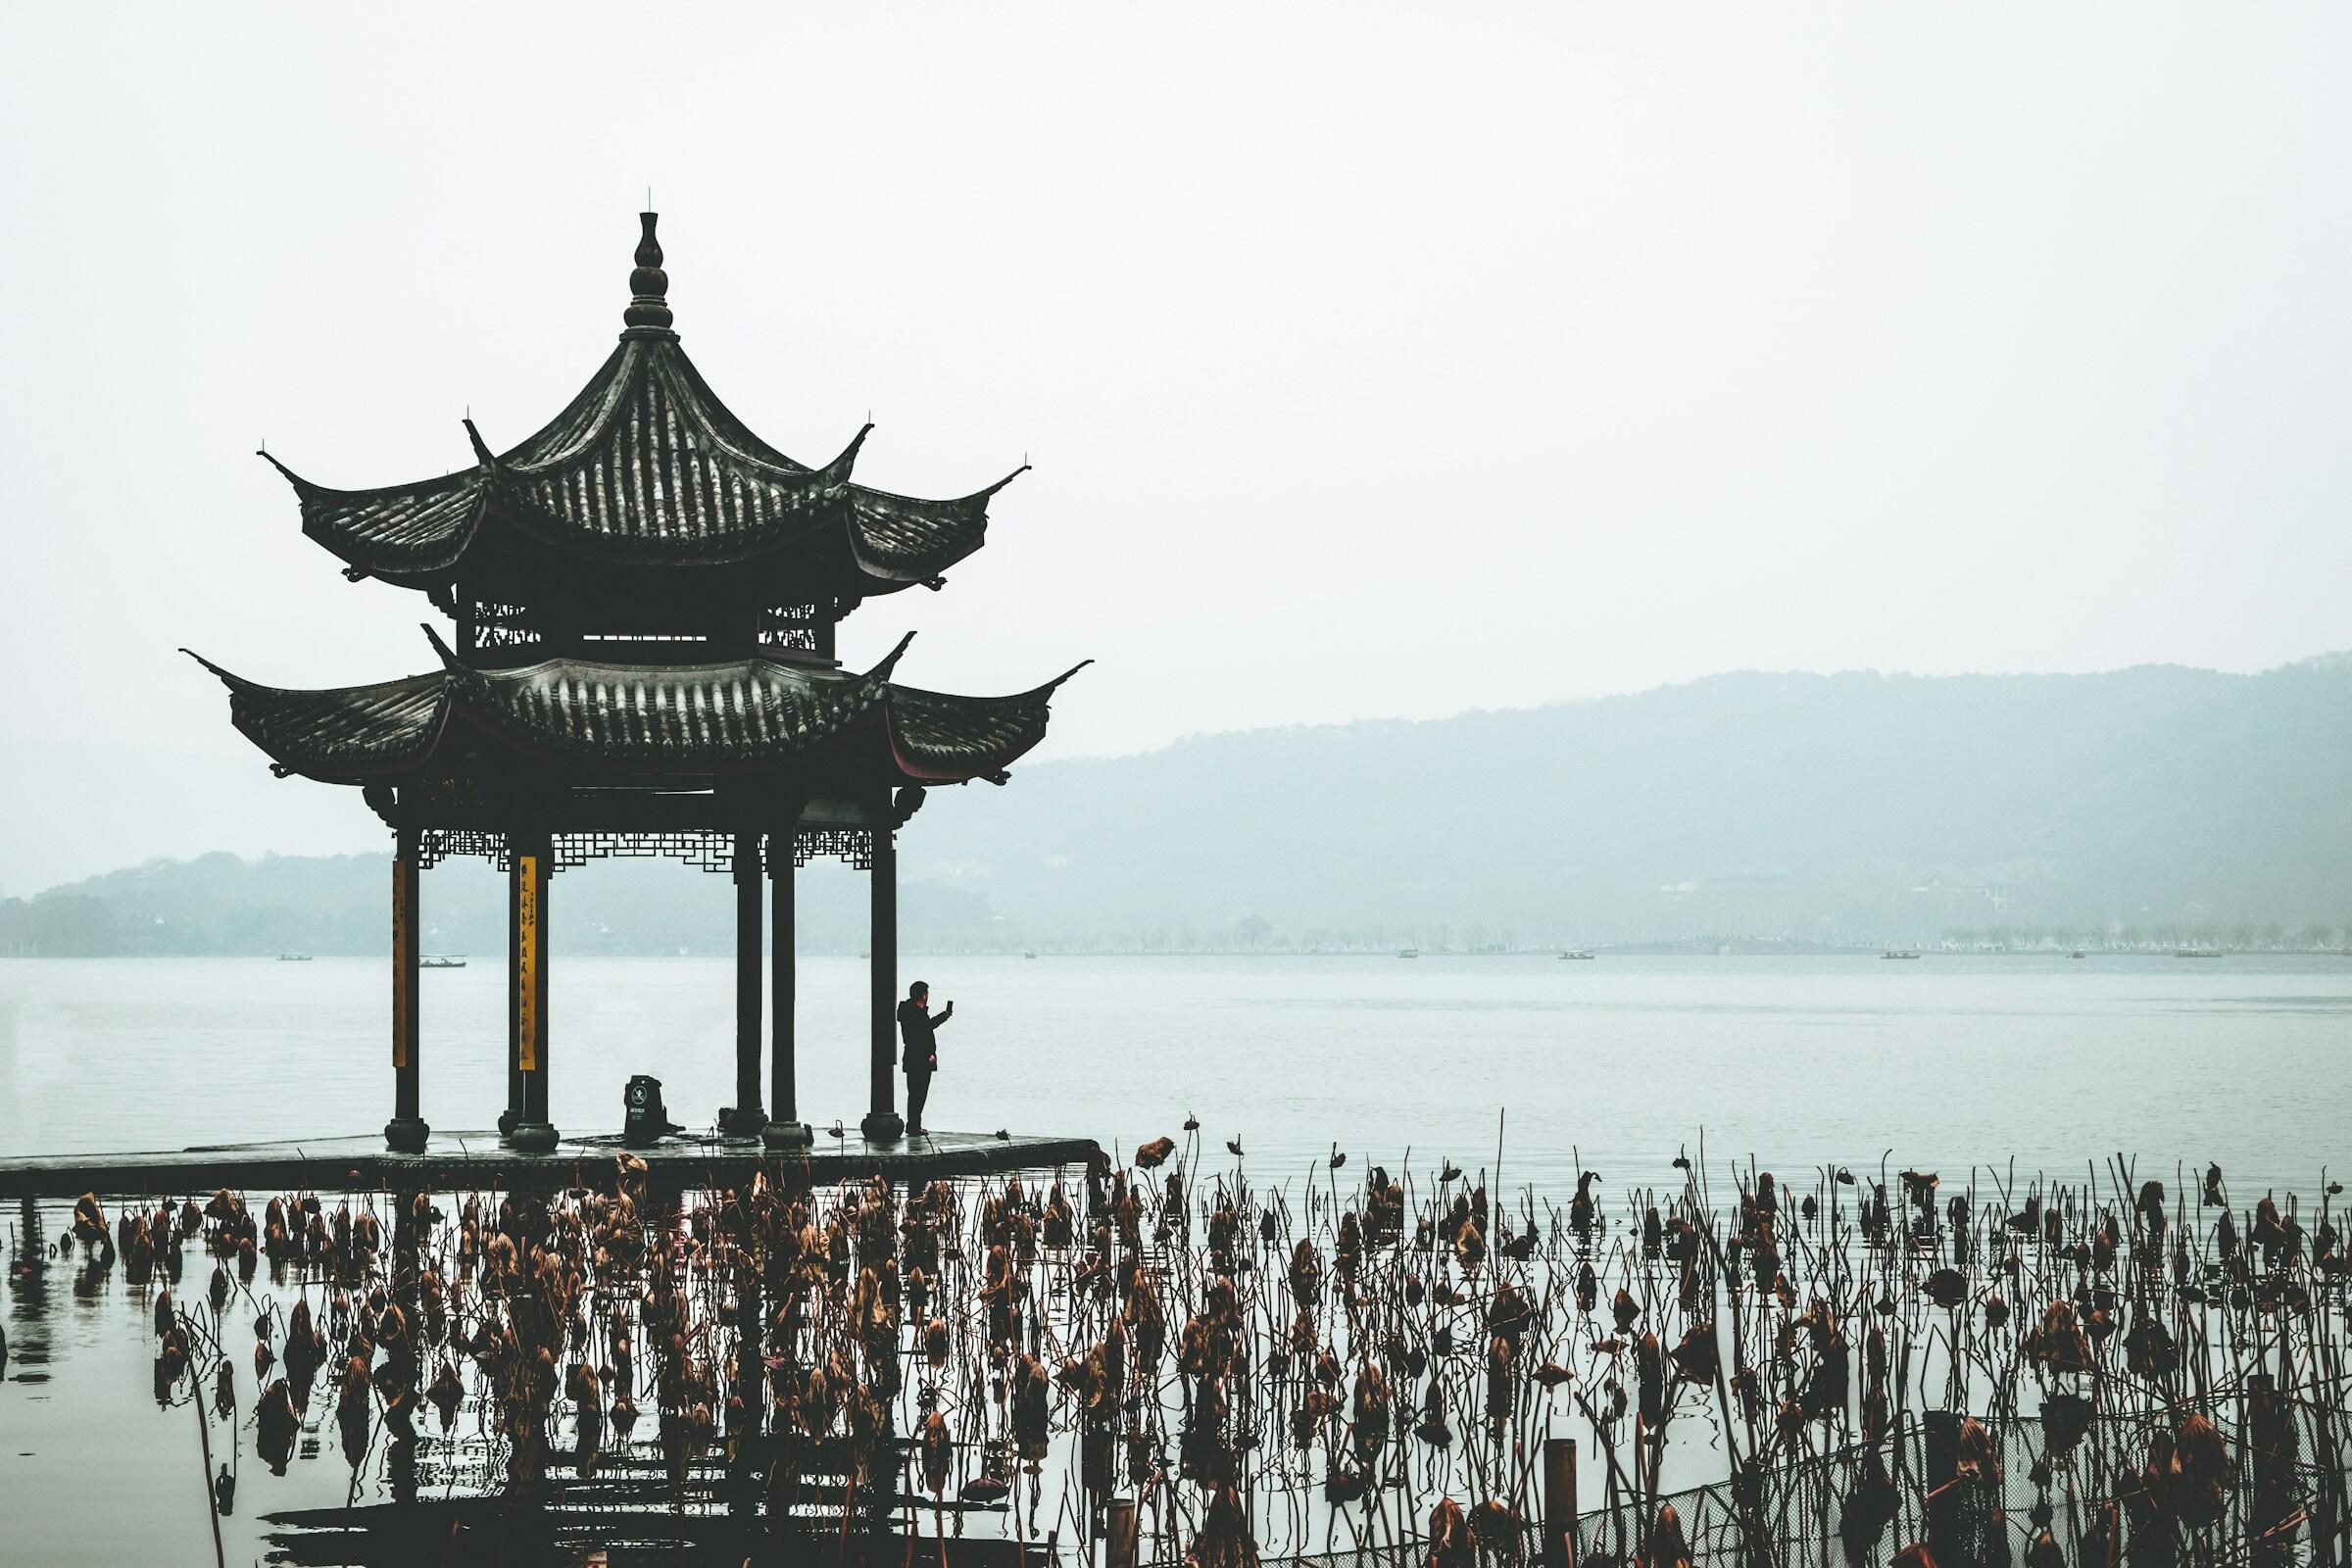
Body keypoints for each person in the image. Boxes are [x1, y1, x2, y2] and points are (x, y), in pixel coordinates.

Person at [897, 981, 953, 1137]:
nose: (928, 997)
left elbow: (926, 1027)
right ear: (922, 995)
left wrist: (943, 1017)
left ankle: (914, 1124)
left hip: (912, 1057)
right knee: (918, 1094)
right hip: (919, 1059)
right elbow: (921, 1034)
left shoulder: (911, 1012)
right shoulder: (915, 1013)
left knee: (915, 1093)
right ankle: (914, 1126)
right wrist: (929, 1054)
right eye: (927, 994)